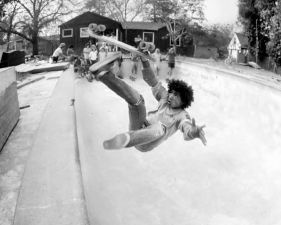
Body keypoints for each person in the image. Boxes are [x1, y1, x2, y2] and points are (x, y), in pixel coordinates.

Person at [88, 52, 207, 152]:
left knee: (161, 128)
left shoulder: (182, 115)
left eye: (175, 95)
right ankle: (103, 75)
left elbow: (186, 129)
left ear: (183, 101)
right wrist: (144, 60)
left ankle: (127, 140)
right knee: (138, 101)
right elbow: (153, 81)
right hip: (140, 125)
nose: (170, 96)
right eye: (171, 92)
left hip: (145, 143)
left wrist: (193, 132)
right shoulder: (165, 97)